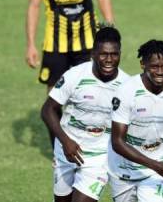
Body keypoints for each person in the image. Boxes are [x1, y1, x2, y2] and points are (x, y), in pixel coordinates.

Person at [41, 26, 129, 202]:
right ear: (93, 53)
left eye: (114, 54)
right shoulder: (75, 76)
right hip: (66, 150)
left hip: (99, 156)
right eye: (104, 54)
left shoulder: (127, 86)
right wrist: (65, 142)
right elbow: (48, 110)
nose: (109, 60)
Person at [108, 39, 163, 202]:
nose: (160, 72)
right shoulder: (126, 91)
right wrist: (156, 166)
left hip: (158, 168)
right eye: (154, 67)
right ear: (142, 64)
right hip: (124, 168)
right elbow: (117, 142)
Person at [26, 0, 114, 92]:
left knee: (91, 88)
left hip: (87, 39)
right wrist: (30, 44)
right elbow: (34, 5)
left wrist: (110, 30)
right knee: (55, 91)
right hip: (55, 41)